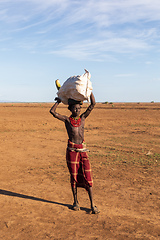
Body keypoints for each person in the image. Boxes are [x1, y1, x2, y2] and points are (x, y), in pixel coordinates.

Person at [49, 92, 100, 214]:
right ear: (70, 109)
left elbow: (93, 104)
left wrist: (90, 90)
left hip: (82, 150)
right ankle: (75, 202)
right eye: (75, 108)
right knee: (74, 175)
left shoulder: (82, 118)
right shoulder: (67, 120)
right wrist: (59, 101)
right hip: (72, 151)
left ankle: (92, 204)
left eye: (79, 108)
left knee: (88, 176)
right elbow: (52, 112)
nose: (77, 110)